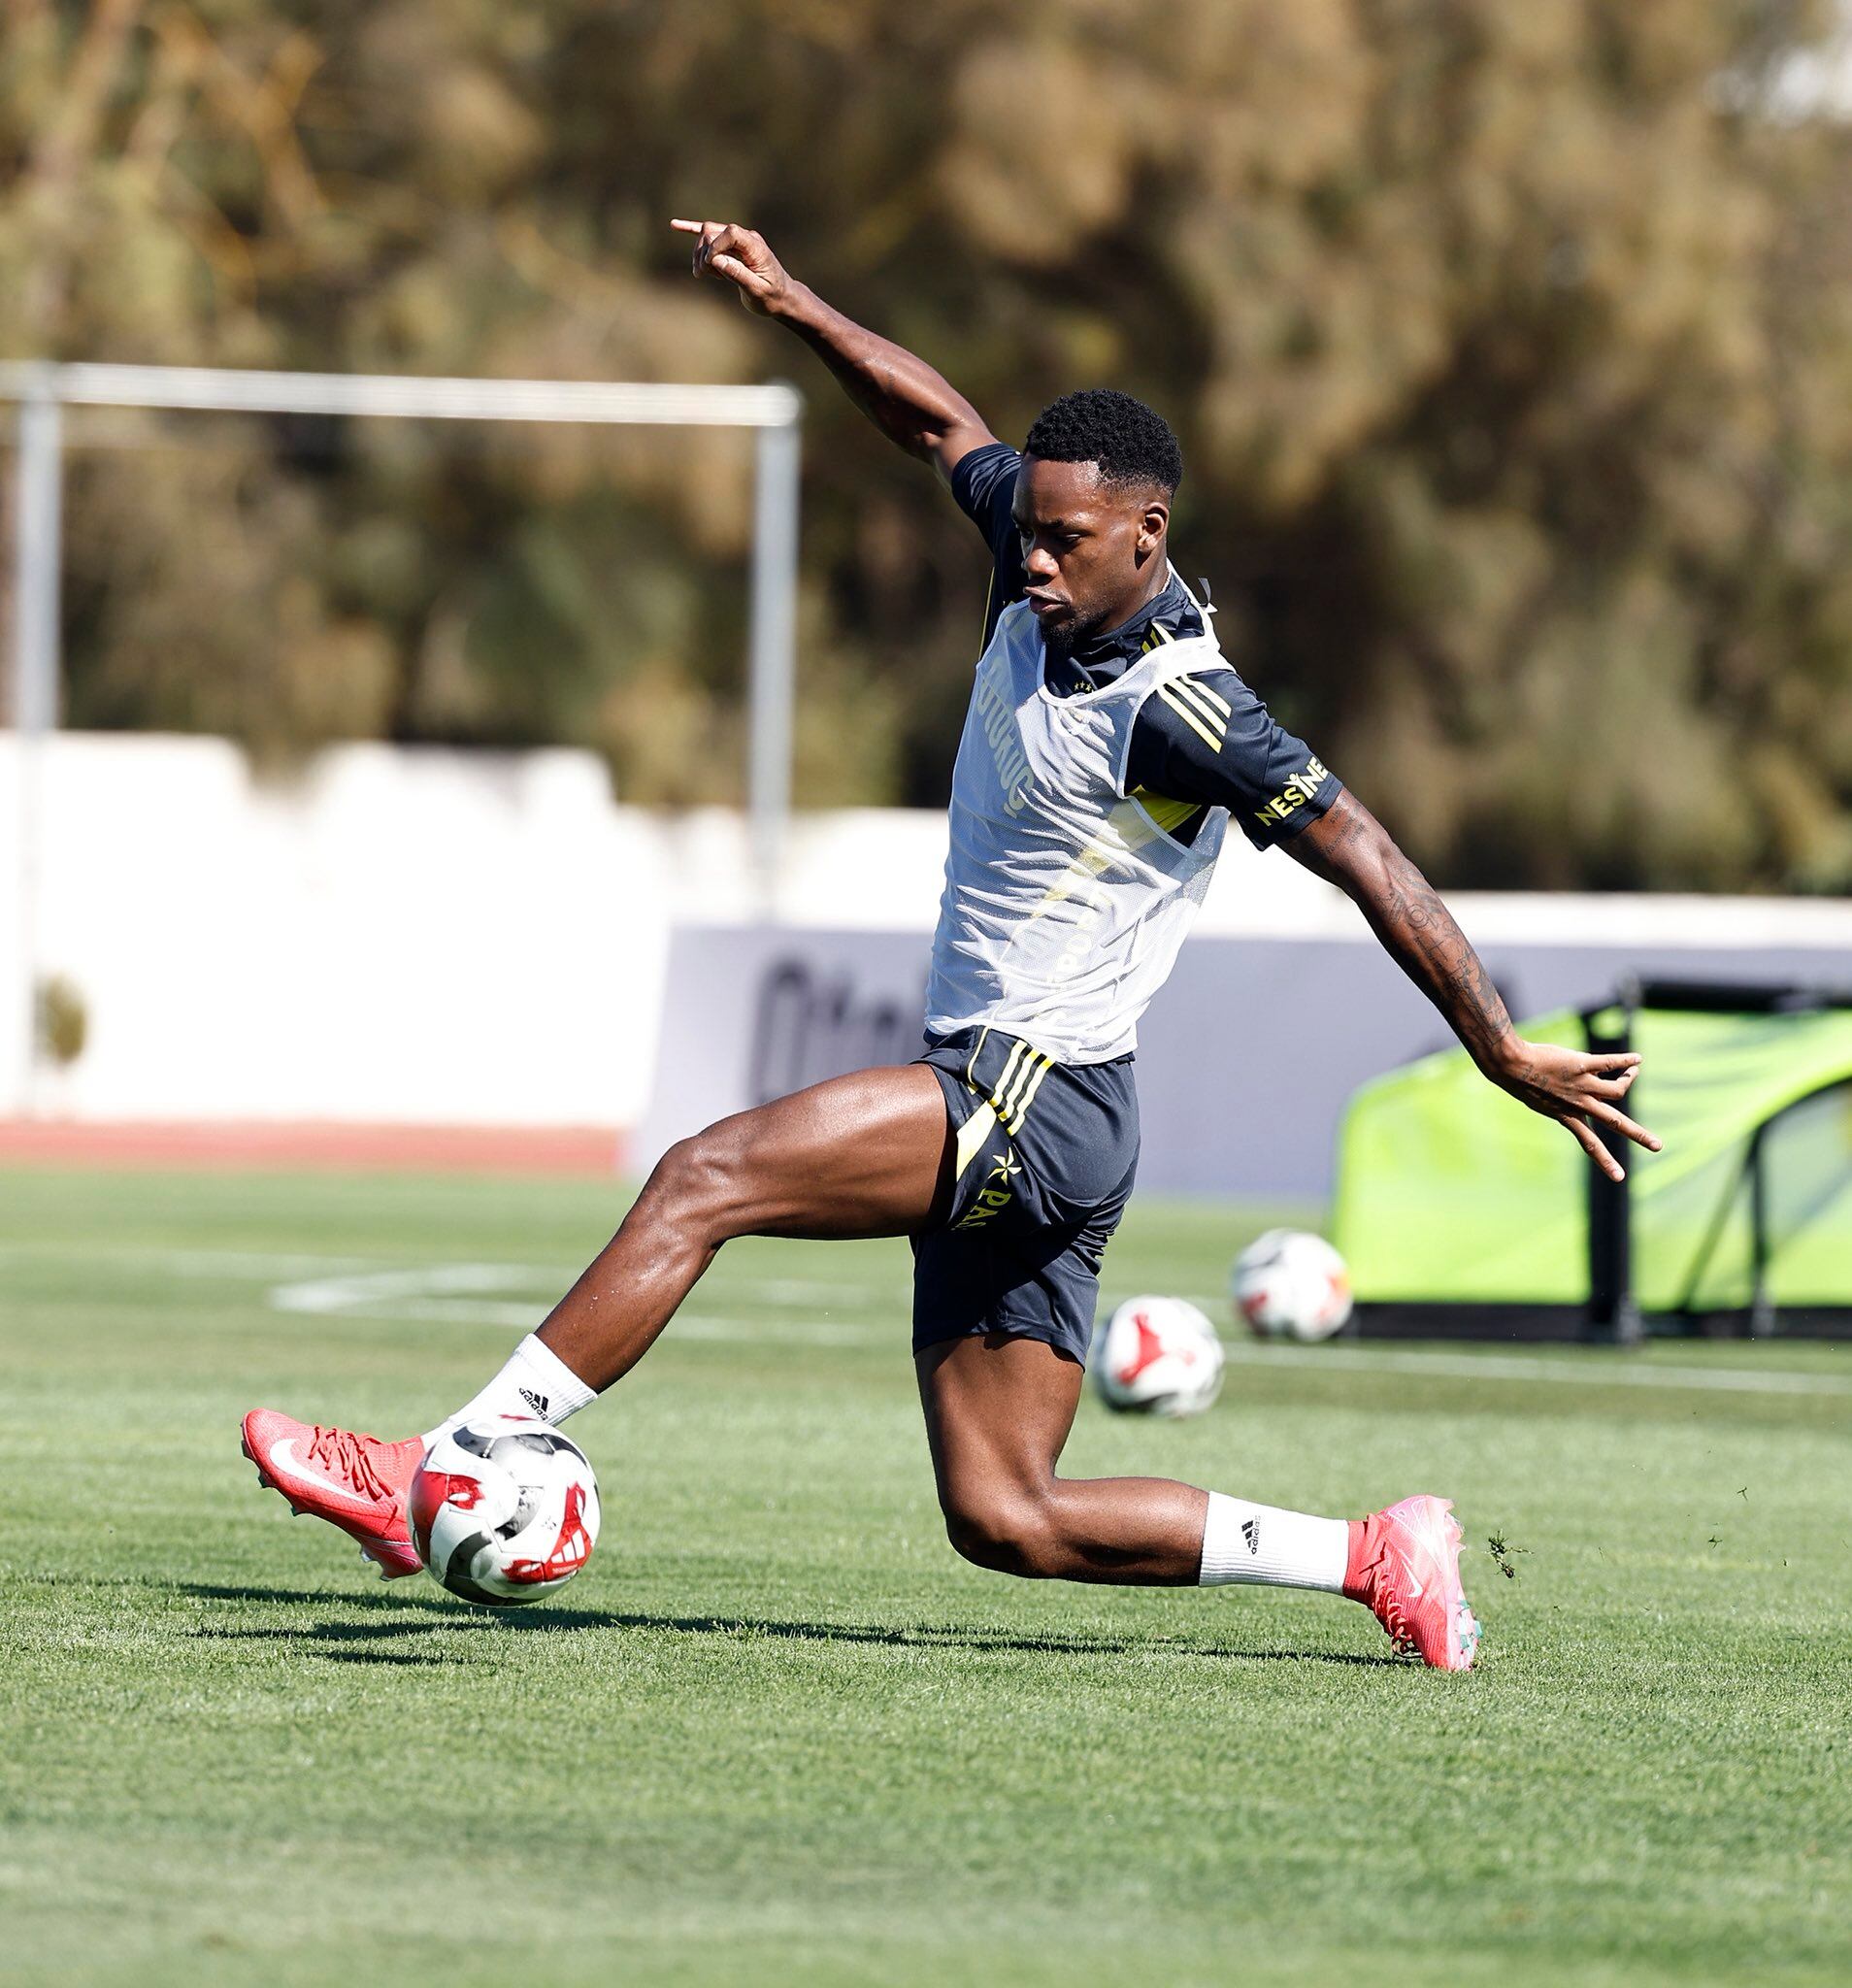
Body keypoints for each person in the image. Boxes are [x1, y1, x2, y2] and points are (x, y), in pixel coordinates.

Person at [242, 218, 1662, 1670]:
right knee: (1006, 1515)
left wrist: (1497, 1045)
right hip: (1053, 1109)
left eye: (1065, 539)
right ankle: (1374, 1556)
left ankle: (445, 1461)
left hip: (1029, 1093)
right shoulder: (1038, 558)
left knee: (703, 1178)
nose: (1031, 555)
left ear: (1147, 535)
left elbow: (1364, 852)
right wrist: (795, 303)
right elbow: (939, 422)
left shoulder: (1187, 708)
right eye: (1027, 527)